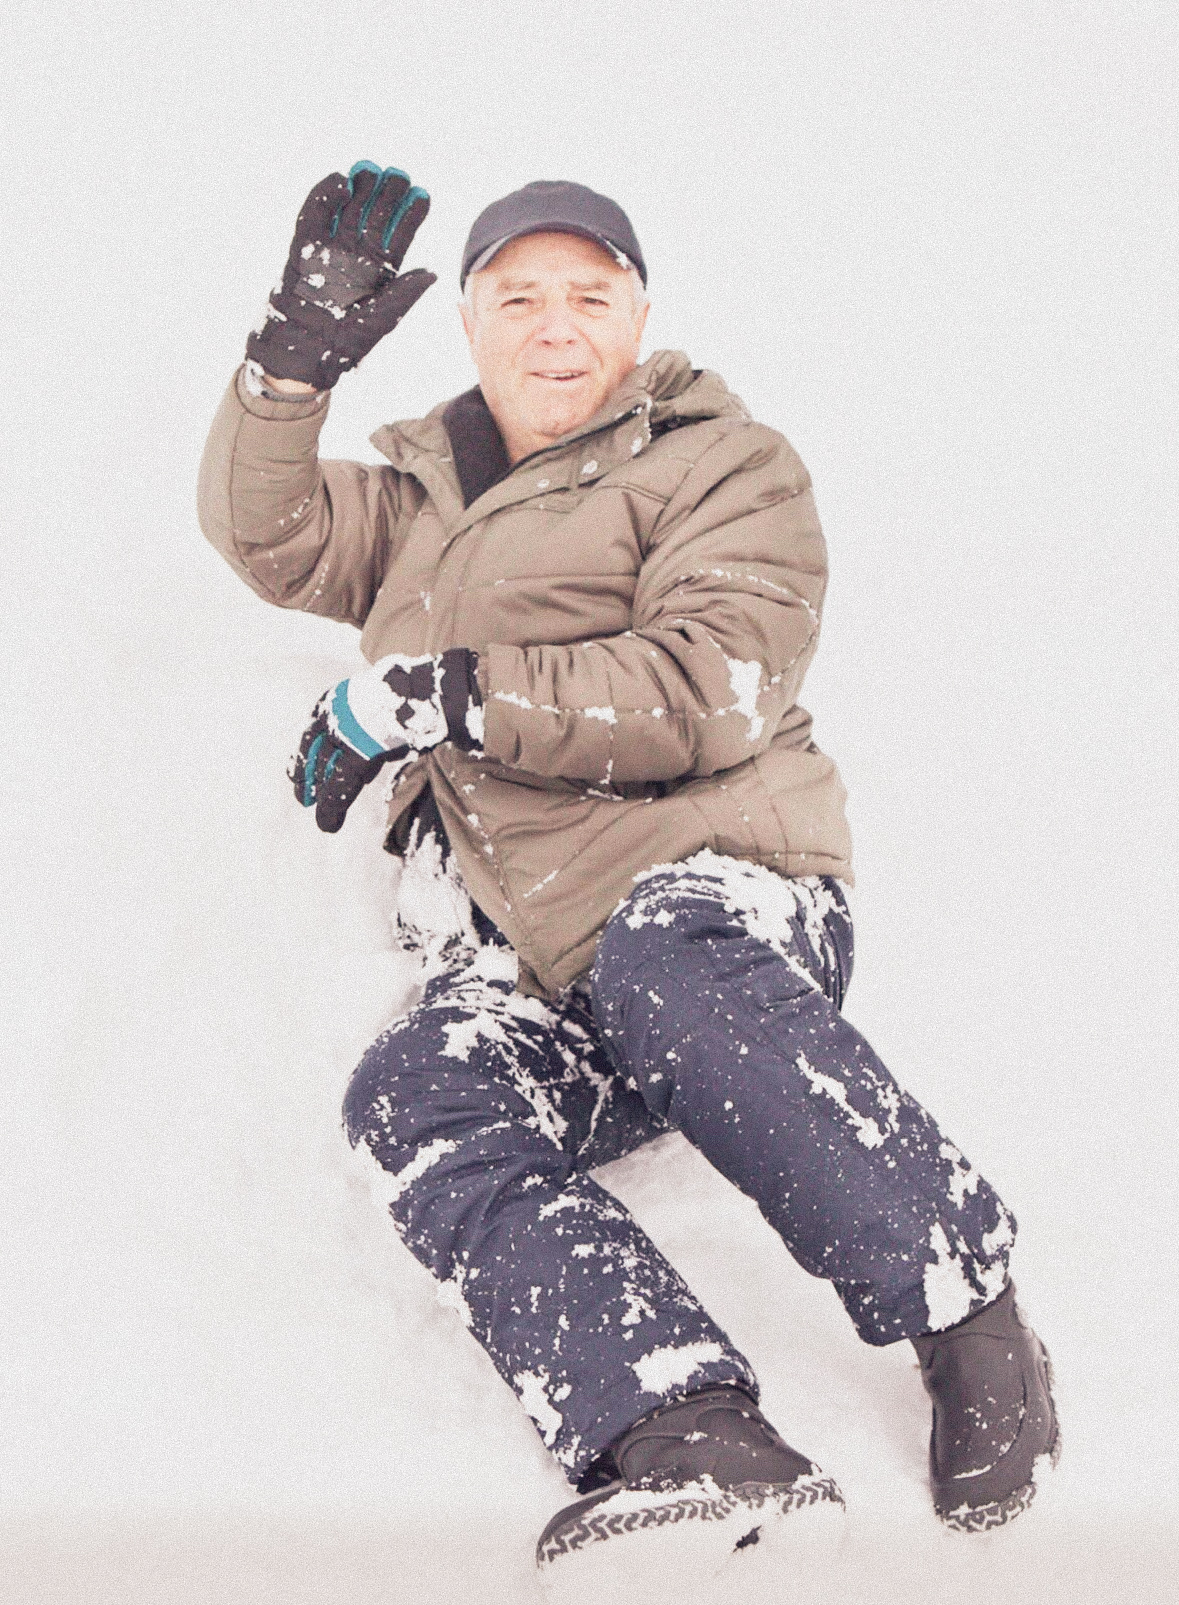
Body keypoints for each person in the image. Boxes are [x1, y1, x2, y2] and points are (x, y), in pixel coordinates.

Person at [197, 163, 1059, 1591]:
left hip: (715, 890)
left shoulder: (721, 461)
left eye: (587, 296)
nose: (553, 328)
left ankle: (966, 1305)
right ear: (467, 324)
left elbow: (705, 687)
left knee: (666, 951)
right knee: (416, 1088)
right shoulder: (421, 500)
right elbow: (266, 533)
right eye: (518, 298)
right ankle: (686, 1428)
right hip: (535, 964)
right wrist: (287, 370)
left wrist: (437, 693)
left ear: (638, 315)